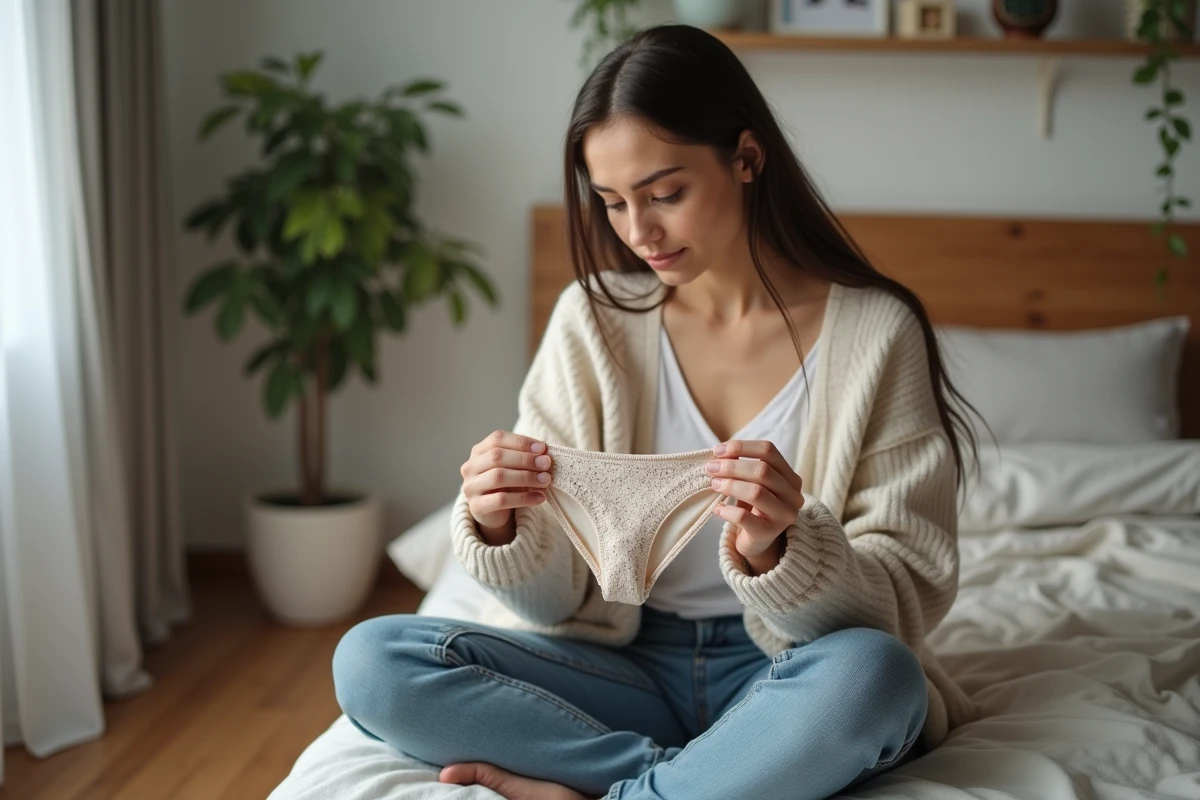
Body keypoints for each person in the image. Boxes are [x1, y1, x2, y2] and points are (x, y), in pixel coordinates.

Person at [333, 24, 982, 800]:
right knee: (372, 661)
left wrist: (781, 551)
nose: (639, 232)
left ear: (746, 158)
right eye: (612, 203)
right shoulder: (592, 322)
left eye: (665, 194)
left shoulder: (877, 334)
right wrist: (503, 527)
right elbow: (552, 603)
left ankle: (623, 785)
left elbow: (902, 604)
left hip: (785, 671)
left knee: (879, 677)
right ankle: (696, 783)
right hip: (618, 669)